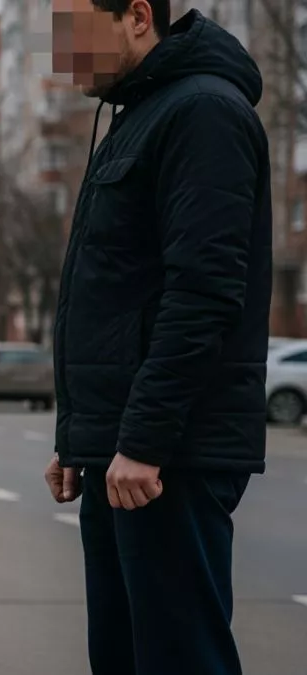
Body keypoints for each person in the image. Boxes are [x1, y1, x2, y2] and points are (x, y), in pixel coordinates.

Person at [43, 3, 271, 675]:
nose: (62, 51)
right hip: (124, 451)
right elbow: (111, 290)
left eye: (73, 28)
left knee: (179, 659)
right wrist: (79, 437)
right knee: (122, 658)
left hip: (170, 455)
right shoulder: (138, 116)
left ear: (138, 16)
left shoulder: (203, 112)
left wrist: (142, 440)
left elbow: (203, 295)